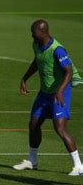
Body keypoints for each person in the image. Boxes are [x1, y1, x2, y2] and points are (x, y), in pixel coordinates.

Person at [13, 19, 83, 176]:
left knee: (60, 128)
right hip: (44, 93)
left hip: (60, 93)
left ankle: (79, 166)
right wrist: (25, 78)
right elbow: (37, 62)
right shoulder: (37, 45)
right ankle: (32, 161)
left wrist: (60, 90)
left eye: (35, 33)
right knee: (33, 124)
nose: (32, 36)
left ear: (44, 32)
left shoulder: (57, 49)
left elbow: (68, 71)